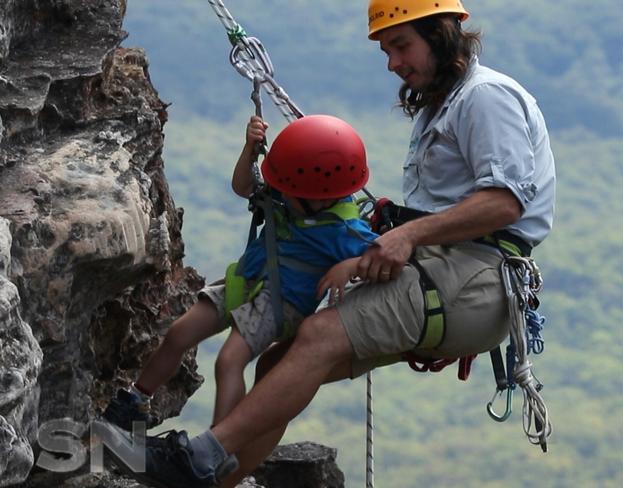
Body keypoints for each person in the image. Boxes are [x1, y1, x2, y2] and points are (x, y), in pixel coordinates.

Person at [116, 1, 556, 487]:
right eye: (388, 50)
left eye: (402, 45)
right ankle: (219, 479)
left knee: (319, 336)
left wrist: (404, 235)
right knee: (280, 363)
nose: (393, 63)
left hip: (475, 273)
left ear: (441, 33)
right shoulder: (446, 104)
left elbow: (503, 205)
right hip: (448, 266)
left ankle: (200, 457)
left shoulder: (485, 98)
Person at [101, 114, 379, 472]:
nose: (282, 194)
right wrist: (251, 149)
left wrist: (349, 267)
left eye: (291, 192)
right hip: (246, 282)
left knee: (229, 361)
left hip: (281, 304)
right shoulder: (298, 191)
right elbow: (244, 186)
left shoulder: (344, 230)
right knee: (179, 333)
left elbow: (386, 255)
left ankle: (213, 452)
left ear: (317, 197)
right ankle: (135, 403)